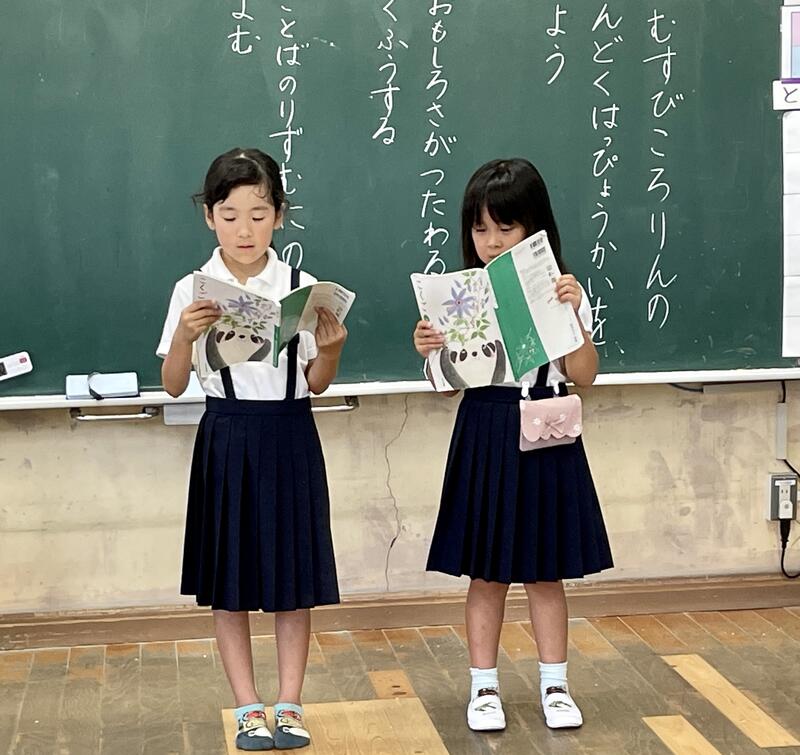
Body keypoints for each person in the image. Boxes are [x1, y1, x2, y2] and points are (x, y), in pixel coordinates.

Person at [413, 158, 613, 733]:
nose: (493, 242)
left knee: (546, 572)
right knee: (487, 573)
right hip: (486, 427)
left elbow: (585, 374)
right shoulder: (460, 294)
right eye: (481, 229)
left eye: (506, 228)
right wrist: (428, 347)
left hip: (547, 427)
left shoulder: (561, 289)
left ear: (534, 227)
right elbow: (445, 386)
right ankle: (484, 688)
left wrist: (575, 317)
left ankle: (555, 685)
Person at [158, 148, 346, 751]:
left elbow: (317, 383)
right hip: (227, 437)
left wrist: (331, 349)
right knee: (230, 579)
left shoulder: (301, 288)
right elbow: (173, 384)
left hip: (291, 435)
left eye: (260, 215)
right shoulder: (190, 290)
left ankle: (289, 704)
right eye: (231, 215)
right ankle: (247, 707)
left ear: (280, 216)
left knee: (294, 576)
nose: (245, 229)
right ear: (209, 217)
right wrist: (184, 337)